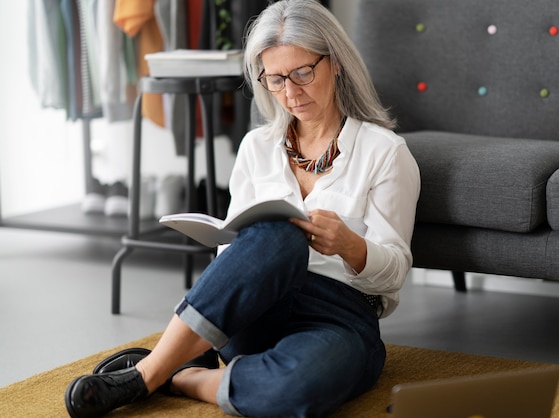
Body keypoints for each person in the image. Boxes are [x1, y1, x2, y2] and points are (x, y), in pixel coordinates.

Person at [64, 1, 420, 417]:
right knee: (279, 236)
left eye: (303, 73)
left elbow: (395, 272)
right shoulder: (257, 148)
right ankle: (146, 373)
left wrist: (350, 245)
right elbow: (233, 259)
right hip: (256, 309)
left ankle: (179, 376)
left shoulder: (385, 152)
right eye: (275, 79)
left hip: (339, 316)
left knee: (297, 389)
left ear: (336, 62)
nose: (291, 92)